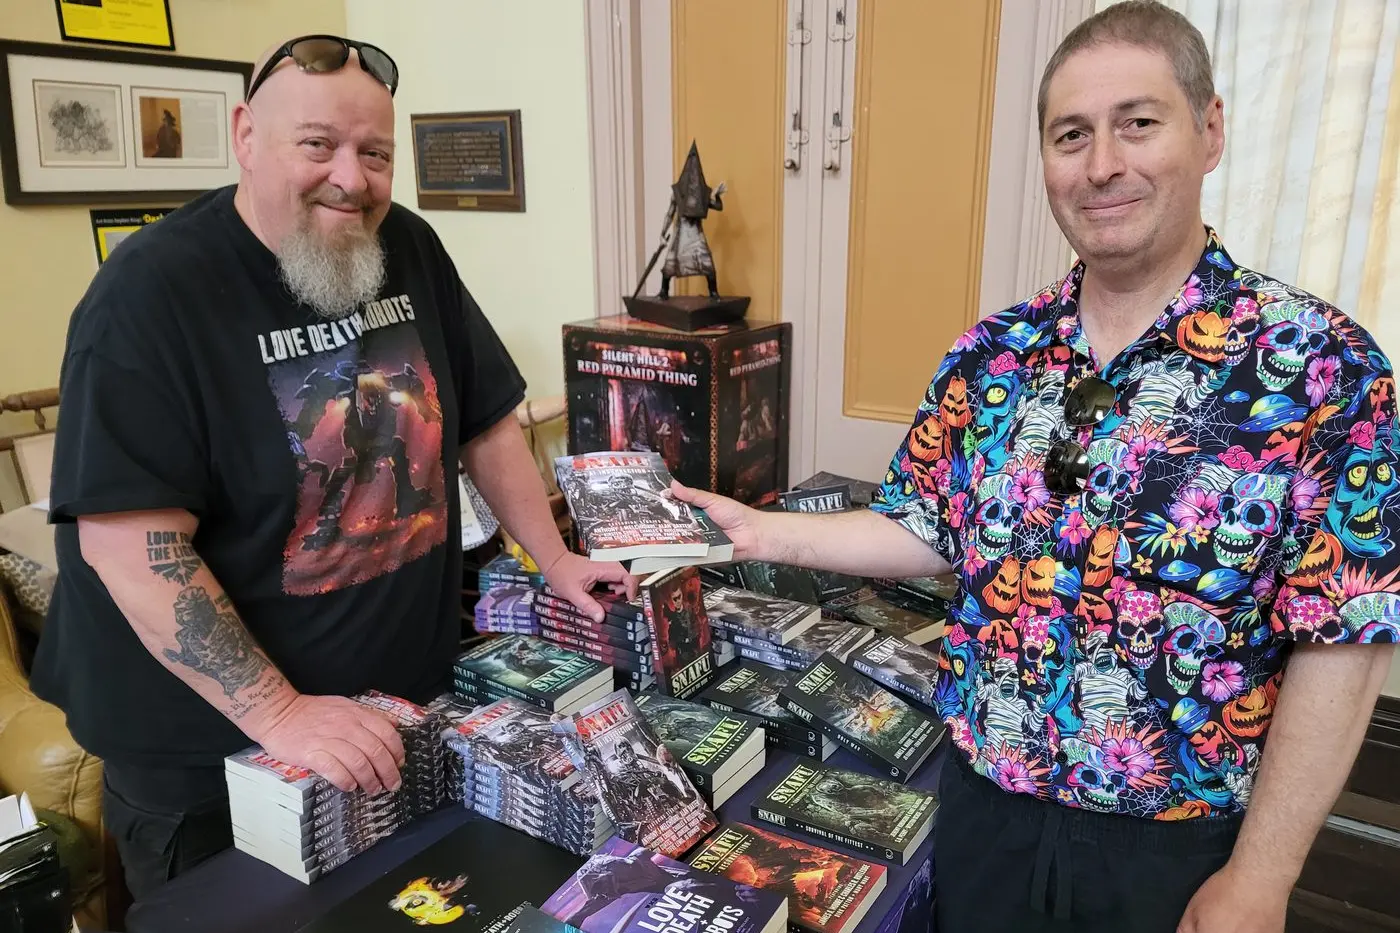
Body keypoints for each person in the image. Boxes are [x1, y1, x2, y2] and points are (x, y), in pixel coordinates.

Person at [674, 3, 1398, 931]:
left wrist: (1263, 875)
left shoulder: (1324, 367)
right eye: (1071, 135)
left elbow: (1345, 639)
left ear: (1209, 130)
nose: (1102, 164)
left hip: (1176, 850)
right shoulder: (992, 355)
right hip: (985, 819)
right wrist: (757, 530)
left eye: (1138, 123)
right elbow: (922, 523)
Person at [30, 34, 632, 901]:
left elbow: (488, 420)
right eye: (318, 144)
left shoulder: (406, 245)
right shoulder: (148, 294)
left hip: (400, 714)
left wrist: (556, 555)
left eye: (375, 153)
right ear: (246, 136)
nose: (351, 178)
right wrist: (280, 714)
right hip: (222, 759)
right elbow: (130, 548)